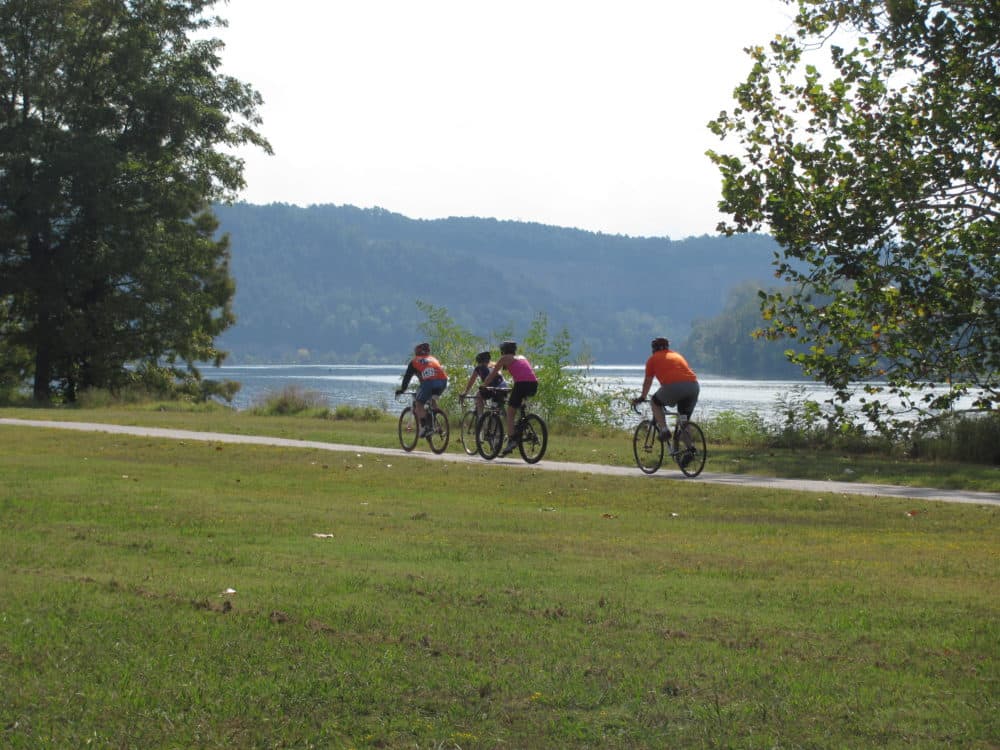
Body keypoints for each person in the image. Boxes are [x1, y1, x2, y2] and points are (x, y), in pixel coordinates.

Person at [631, 337, 700, 461]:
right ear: (667, 347)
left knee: (655, 401)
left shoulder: (652, 359)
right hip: (693, 386)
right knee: (683, 421)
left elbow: (648, 381)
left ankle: (664, 430)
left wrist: (642, 397)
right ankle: (690, 450)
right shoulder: (677, 356)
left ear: (653, 349)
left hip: (674, 387)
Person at [481, 340, 538, 456]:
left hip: (521, 384)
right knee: (518, 406)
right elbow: (525, 372)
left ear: (504, 350)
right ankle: (523, 428)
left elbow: (492, 375)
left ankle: (512, 440)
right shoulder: (522, 357)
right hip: (534, 384)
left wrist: (483, 385)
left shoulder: (504, 358)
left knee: (510, 412)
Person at [396, 342, 449, 437]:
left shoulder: (414, 362)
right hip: (443, 381)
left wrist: (402, 390)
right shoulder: (433, 359)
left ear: (417, 352)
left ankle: (426, 427)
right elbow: (430, 374)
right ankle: (437, 424)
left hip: (429, 383)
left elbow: (407, 378)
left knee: (419, 404)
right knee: (432, 400)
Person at [460, 350, 507, 418]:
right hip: (504, 388)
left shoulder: (480, 368)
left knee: (478, 395)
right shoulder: (494, 365)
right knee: (495, 409)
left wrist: (465, 392)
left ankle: (480, 419)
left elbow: (471, 381)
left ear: (479, 361)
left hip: (493, 388)